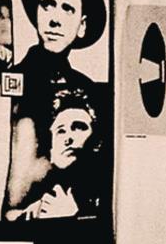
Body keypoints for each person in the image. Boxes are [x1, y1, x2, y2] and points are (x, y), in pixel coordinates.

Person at [7, 0, 107, 212]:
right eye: (47, 5)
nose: (55, 19)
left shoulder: (91, 92)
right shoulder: (10, 80)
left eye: (67, 9)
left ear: (82, 26)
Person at [7, 89, 106, 221]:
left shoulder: (107, 193)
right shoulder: (42, 195)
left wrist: (72, 216)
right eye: (61, 131)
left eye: (78, 127)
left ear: (97, 141)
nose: (68, 139)